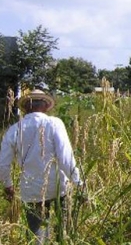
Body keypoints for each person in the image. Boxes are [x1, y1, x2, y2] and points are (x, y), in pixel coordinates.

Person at [0, 89, 83, 244]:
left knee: (37, 234)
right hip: (58, 187)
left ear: (27, 107)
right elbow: (65, 158)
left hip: (31, 189)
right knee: (64, 231)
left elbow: (3, 164)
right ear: (45, 106)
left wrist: (8, 186)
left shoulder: (14, 130)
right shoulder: (54, 123)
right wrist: (79, 182)